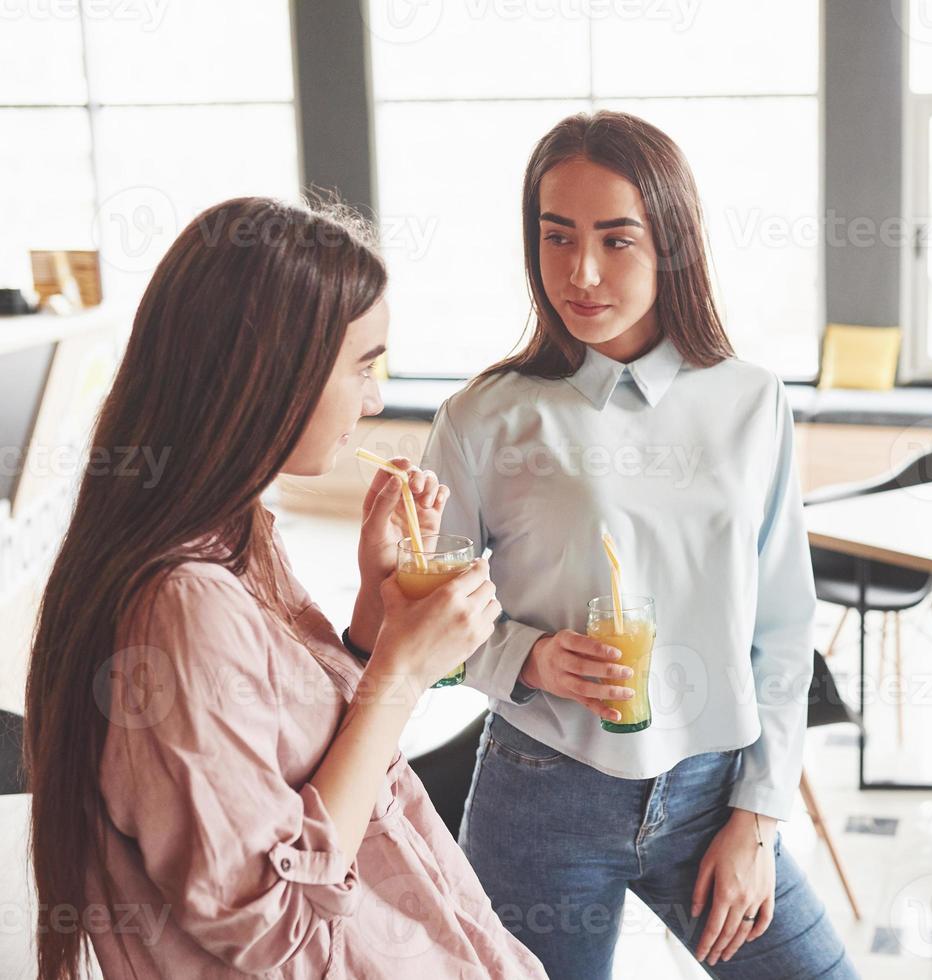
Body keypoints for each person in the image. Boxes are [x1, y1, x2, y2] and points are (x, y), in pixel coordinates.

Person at [25, 197, 547, 979]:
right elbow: (278, 928)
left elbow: (300, 762)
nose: (372, 399)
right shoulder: (182, 607)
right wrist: (401, 675)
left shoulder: (237, 537)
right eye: (362, 365)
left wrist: (375, 619)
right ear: (272, 375)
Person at [420, 111, 859, 979]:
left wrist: (757, 817)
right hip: (539, 794)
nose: (579, 274)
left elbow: (781, 621)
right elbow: (425, 638)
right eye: (557, 238)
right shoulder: (483, 416)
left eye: (616, 240)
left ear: (672, 244)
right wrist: (529, 658)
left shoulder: (751, 401)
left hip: (711, 793)